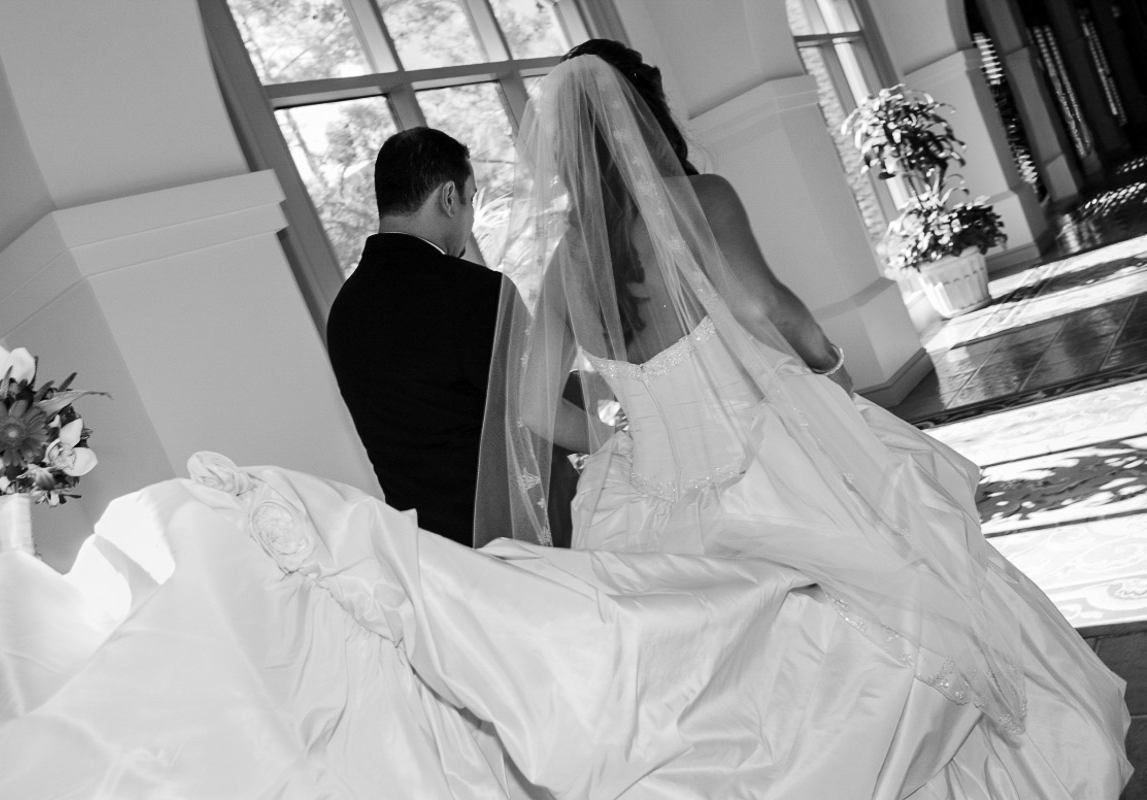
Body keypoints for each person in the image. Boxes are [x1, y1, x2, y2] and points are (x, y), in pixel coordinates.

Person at [473, 41, 1132, 798]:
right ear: (643, 114)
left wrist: (624, 438)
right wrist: (829, 369)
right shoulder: (698, 198)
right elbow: (765, 309)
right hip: (765, 466)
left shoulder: (564, 263)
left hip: (651, 499)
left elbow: (530, 407)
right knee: (896, 611)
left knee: (719, 689)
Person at [326, 127, 502, 546]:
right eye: (471, 199)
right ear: (447, 197)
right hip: (510, 535)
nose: (471, 216)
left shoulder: (344, 312)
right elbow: (535, 407)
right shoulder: (474, 290)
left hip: (427, 551)